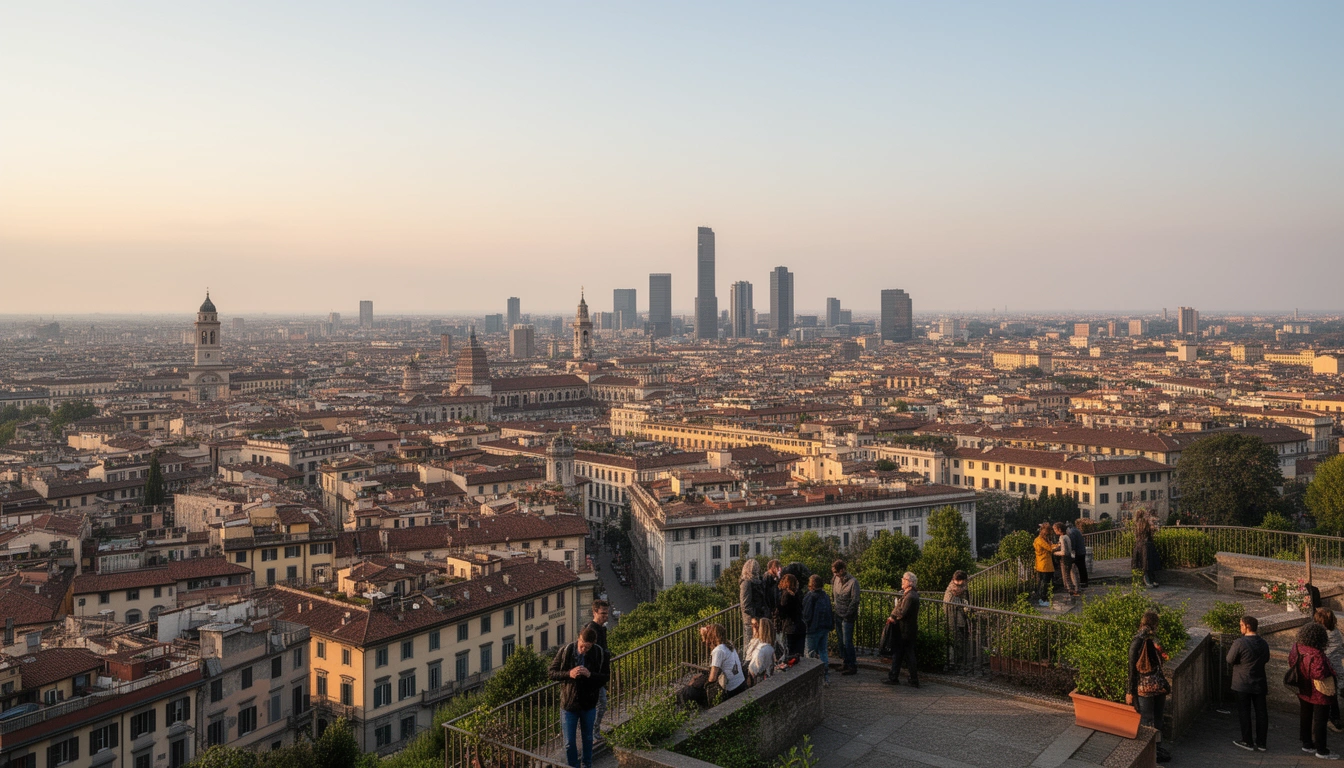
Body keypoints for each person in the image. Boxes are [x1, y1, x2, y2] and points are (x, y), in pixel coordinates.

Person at [548, 626, 610, 768]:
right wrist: (568, 673)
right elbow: (551, 672)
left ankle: (587, 765)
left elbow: (605, 677)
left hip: (588, 704)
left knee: (587, 739)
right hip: (569, 705)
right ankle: (573, 766)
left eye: (587, 648)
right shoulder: (566, 651)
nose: (584, 650)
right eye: (582, 646)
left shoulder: (599, 653)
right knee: (569, 742)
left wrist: (590, 675)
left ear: (593, 644)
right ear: (578, 639)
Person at [1290, 620, 1340, 759]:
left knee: (1305, 715)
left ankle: (1307, 743)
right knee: (1320, 720)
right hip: (1319, 692)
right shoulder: (1317, 654)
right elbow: (1319, 674)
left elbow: (1291, 661)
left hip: (1303, 687)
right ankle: (1321, 749)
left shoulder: (1297, 647)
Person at [1126, 610, 1171, 764]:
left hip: (1144, 686)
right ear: (1155, 624)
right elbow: (1162, 660)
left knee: (1146, 720)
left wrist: (1129, 691)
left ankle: (1148, 754)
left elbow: (1132, 668)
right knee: (1158, 719)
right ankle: (1157, 748)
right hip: (1159, 685)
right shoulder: (1155, 639)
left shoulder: (1137, 640)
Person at [1227, 614, 1270, 752]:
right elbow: (1266, 659)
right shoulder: (1263, 643)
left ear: (1247, 626)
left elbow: (1229, 659)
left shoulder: (1239, 643)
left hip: (1242, 682)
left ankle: (1247, 740)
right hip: (1259, 682)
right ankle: (1262, 742)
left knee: (1244, 712)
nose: (1240, 628)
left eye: (1241, 625)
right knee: (1261, 713)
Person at [883, 571, 920, 687]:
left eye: (904, 579)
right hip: (907, 629)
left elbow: (903, 612)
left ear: (909, 582)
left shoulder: (910, 596)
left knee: (904, 654)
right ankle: (896, 676)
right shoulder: (911, 594)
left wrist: (893, 616)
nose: (902, 581)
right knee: (902, 654)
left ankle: (902, 678)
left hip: (905, 630)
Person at [801, 574, 834, 684]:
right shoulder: (825, 596)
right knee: (823, 652)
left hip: (812, 629)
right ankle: (825, 677)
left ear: (811, 585)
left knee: (809, 654)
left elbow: (806, 614)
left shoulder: (810, 596)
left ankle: (810, 680)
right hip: (824, 627)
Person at [583, 599, 611, 734]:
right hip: (593, 675)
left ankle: (593, 731)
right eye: (603, 613)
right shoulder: (591, 630)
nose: (606, 617)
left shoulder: (600, 629)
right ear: (595, 612)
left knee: (599, 704)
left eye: (607, 614)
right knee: (600, 704)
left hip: (598, 674)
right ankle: (592, 732)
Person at [831, 559, 860, 676]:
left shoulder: (853, 582)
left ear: (842, 570)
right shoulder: (836, 580)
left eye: (836, 572)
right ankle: (845, 662)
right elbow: (834, 595)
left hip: (848, 617)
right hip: (838, 614)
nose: (835, 574)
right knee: (841, 641)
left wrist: (848, 613)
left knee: (847, 641)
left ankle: (852, 665)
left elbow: (855, 600)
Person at [1317, 609, 1344, 732]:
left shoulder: (1324, 635)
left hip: (1328, 669)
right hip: (1337, 668)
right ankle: (1335, 719)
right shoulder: (1336, 632)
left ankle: (1334, 720)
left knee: (1329, 696)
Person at [943, 570, 970, 666]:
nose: (965, 582)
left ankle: (958, 659)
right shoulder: (952, 589)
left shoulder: (962, 588)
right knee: (954, 636)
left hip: (959, 615)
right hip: (952, 615)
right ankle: (953, 660)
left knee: (960, 637)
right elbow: (949, 602)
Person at [776, 573, 805, 657]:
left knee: (790, 653)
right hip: (800, 625)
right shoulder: (798, 594)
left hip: (790, 627)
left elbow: (783, 612)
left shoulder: (785, 595)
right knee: (799, 653)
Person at [739, 559, 768, 642]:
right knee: (750, 644)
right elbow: (745, 604)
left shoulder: (757, 582)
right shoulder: (746, 583)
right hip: (751, 620)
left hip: (757, 618)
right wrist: (754, 616)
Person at [744, 617, 778, 683]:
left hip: (758, 680)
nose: (753, 627)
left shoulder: (761, 649)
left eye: (755, 625)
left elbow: (754, 670)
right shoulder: (770, 647)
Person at [1032, 522, 1056, 608]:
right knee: (1044, 583)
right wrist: (1057, 546)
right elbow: (1050, 548)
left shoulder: (1040, 539)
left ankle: (1042, 598)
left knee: (1042, 582)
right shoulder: (1040, 540)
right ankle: (1042, 599)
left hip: (1043, 564)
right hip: (1044, 564)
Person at [1054, 522, 1079, 598]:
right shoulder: (1067, 536)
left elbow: (1064, 552)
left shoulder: (1062, 538)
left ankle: (1071, 590)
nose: (1054, 531)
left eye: (1055, 529)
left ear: (1059, 529)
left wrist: (1055, 553)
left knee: (1066, 575)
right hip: (1070, 558)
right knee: (1068, 574)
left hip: (1065, 559)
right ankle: (1074, 589)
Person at [1133, 512, 1158, 588]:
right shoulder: (1144, 523)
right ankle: (1148, 579)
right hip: (1145, 545)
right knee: (1147, 563)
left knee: (1143, 563)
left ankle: (1146, 579)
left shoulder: (1138, 523)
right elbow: (1149, 533)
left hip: (1140, 545)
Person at [1068, 519, 1090, 589]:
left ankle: (1081, 582)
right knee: (1082, 567)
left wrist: (1071, 549)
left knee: (1079, 567)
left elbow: (1073, 544)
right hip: (1082, 550)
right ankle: (1084, 581)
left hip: (1078, 552)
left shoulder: (1071, 532)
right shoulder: (1076, 530)